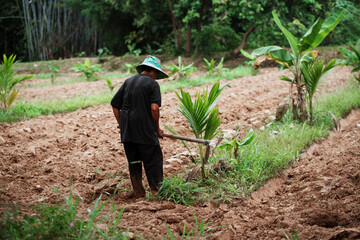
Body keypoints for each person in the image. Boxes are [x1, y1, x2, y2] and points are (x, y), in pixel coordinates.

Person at [111, 55, 168, 198]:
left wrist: (122, 124)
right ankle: (157, 192)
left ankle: (138, 193)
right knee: (153, 160)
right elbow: (154, 109)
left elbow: (115, 104)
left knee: (134, 162)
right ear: (154, 72)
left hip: (127, 133)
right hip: (145, 132)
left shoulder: (128, 81)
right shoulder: (153, 84)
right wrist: (157, 129)